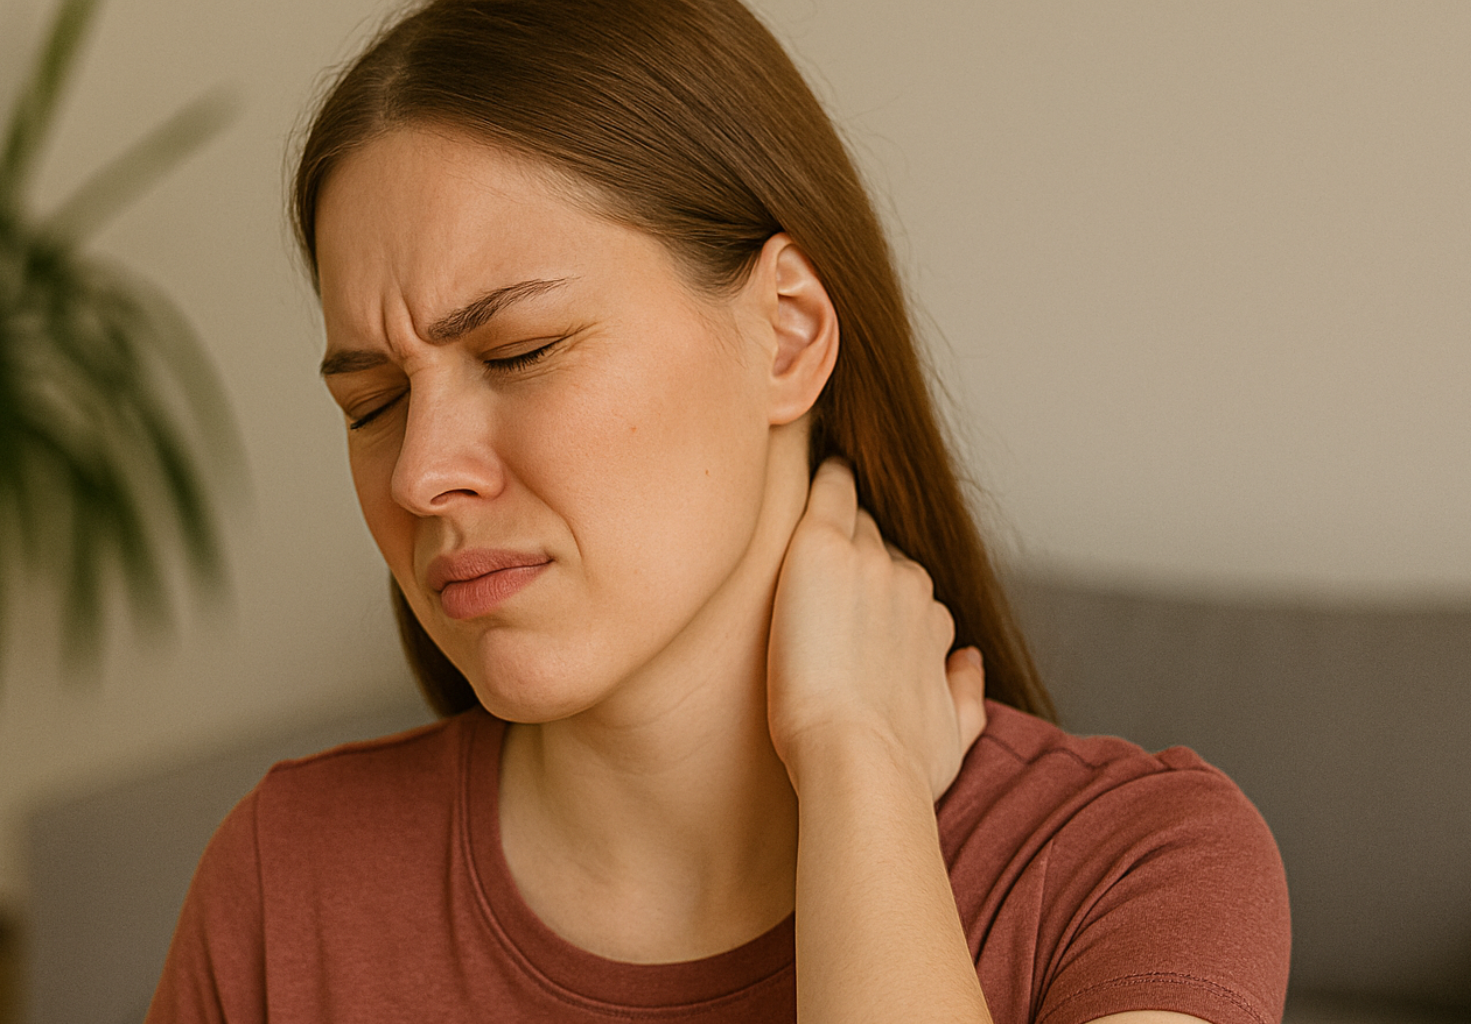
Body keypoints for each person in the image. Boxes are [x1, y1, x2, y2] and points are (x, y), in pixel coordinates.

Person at [145, 0, 1290, 1021]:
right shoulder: (286, 882)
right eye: (374, 401)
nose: (419, 474)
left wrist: (857, 768)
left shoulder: (1133, 870)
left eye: (520, 350)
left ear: (786, 332)